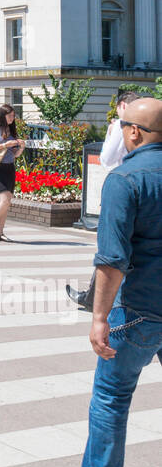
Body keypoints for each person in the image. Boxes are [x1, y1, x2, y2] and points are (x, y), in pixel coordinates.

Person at [58, 96, 162, 467]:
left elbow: (112, 259)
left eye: (121, 125)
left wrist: (99, 317)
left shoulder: (125, 179)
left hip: (137, 308)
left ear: (134, 132)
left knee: (112, 398)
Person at [66, 91, 143, 309]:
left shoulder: (122, 126)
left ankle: (98, 300)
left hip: (120, 190)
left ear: (122, 106)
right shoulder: (149, 128)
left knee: (112, 248)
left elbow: (107, 159)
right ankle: (92, 297)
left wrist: (112, 132)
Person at [0, 105, 26, 240]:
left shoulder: (10, 129)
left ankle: (0, 231)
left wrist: (21, 147)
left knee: (7, 202)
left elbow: (15, 154)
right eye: (10, 116)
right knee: (5, 199)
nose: (13, 119)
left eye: (14, 116)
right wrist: (5, 145)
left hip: (9, 167)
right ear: (3, 115)